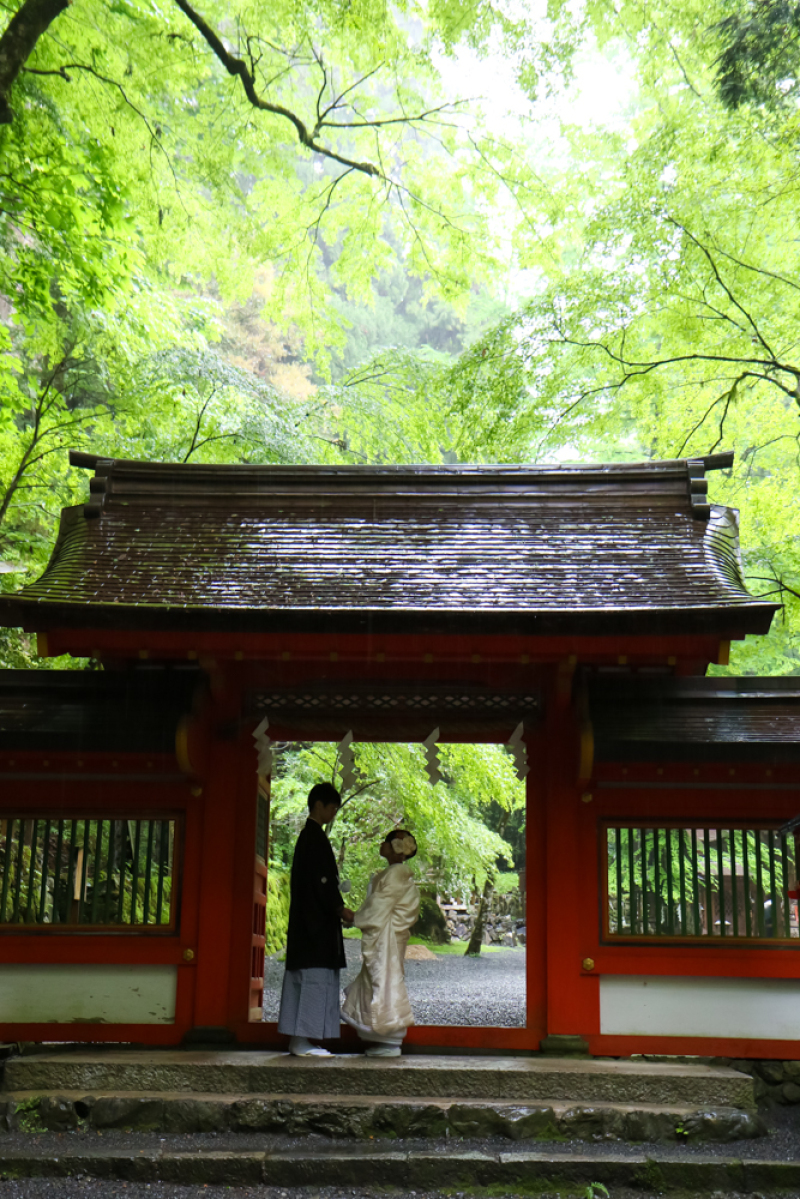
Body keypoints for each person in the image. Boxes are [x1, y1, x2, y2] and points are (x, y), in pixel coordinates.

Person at [278, 782, 355, 1057]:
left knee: (308, 980)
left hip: (308, 924)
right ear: (319, 805)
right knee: (313, 980)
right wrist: (339, 908)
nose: (334, 813)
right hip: (314, 928)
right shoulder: (313, 838)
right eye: (332, 807)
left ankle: (302, 1039)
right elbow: (322, 884)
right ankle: (302, 1040)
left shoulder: (310, 837)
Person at [341, 829, 420, 1057]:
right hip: (389, 937)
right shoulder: (397, 874)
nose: (381, 845)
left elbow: (379, 906)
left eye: (385, 841)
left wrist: (354, 917)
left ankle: (389, 1037)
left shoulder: (395, 874)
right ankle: (384, 1037)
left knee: (383, 982)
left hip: (387, 938)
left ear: (394, 847)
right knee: (384, 981)